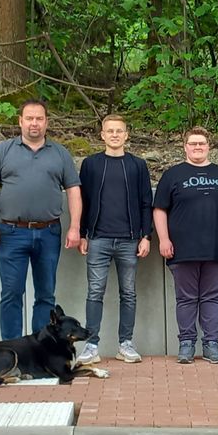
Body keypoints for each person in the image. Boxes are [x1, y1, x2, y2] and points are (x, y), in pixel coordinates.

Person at [0, 99, 81, 340]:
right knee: (11, 293)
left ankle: (41, 347)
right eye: (29, 118)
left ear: (46, 122)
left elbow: (74, 191)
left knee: (46, 295)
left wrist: (75, 227)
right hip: (12, 233)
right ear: (20, 121)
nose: (34, 123)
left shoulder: (60, 154)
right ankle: (12, 348)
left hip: (49, 232)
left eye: (39, 119)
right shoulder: (2, 151)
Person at [153, 127, 218, 364]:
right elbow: (160, 209)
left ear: (208, 146)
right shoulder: (172, 175)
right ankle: (186, 344)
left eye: (201, 143)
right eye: (193, 143)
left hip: (217, 248)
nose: (197, 147)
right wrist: (164, 239)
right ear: (185, 146)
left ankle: (211, 344)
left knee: (211, 297)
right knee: (186, 298)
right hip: (182, 249)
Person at [76, 115, 153, 365]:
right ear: (102, 135)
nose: (115, 135)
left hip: (129, 240)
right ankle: (91, 345)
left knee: (128, 293)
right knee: (95, 292)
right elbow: (84, 201)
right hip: (98, 238)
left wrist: (146, 236)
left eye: (119, 131)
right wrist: (82, 234)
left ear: (126, 135)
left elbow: (146, 202)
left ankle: (125, 344)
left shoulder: (137, 165)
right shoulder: (91, 164)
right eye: (110, 131)